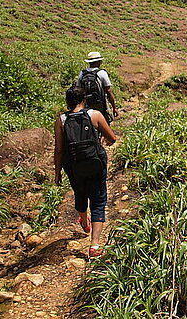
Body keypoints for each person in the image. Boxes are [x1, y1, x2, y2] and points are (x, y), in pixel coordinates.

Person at [54, 85, 116, 257]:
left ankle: (84, 222)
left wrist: (57, 172)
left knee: (80, 193)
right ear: (84, 99)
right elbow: (112, 138)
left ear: (67, 101)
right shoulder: (94, 115)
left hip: (74, 166)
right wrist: (103, 143)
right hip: (95, 163)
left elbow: (59, 150)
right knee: (98, 201)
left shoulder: (61, 120)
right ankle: (95, 246)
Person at [77, 51, 119, 123]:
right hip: (100, 104)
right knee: (104, 122)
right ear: (98, 62)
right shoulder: (101, 73)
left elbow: (78, 89)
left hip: (86, 103)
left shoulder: (82, 73)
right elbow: (108, 91)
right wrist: (114, 108)